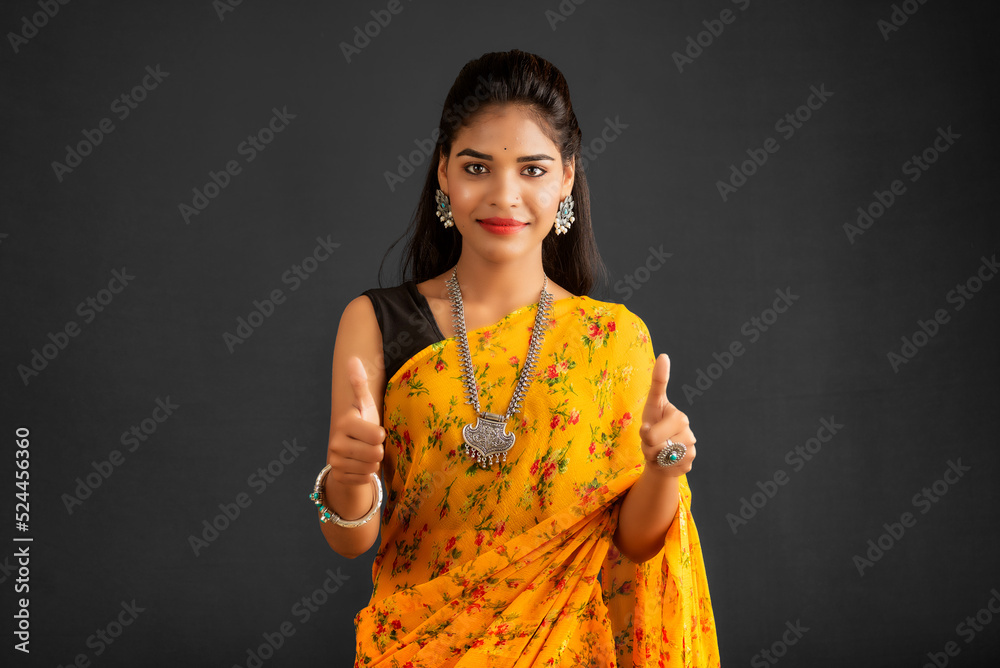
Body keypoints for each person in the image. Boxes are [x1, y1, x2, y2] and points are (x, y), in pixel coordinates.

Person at [312, 49, 719, 667]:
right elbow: (352, 542)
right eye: (478, 166)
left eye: (532, 169)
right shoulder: (376, 323)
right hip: (420, 649)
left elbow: (634, 544)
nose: (504, 195)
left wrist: (666, 469)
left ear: (566, 178)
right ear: (444, 173)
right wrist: (346, 480)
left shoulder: (610, 340)